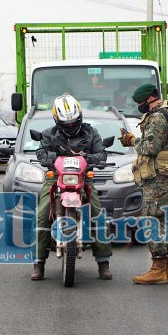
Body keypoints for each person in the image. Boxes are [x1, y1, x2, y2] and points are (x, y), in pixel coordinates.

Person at [32, 95, 113, 281]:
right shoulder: (48, 134)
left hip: (84, 179)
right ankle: (38, 262)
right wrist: (55, 158)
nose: (70, 126)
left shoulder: (91, 133)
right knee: (42, 215)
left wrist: (88, 158)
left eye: (73, 122)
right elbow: (41, 152)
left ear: (80, 118)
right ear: (56, 120)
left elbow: (101, 153)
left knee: (98, 214)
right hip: (56, 178)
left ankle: (103, 262)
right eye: (65, 124)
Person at [119, 83, 168, 284]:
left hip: (158, 179)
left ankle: (158, 269)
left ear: (150, 99)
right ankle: (166, 268)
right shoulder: (167, 112)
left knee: (153, 219)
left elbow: (151, 147)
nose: (140, 106)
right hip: (166, 176)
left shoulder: (157, 117)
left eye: (140, 103)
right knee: (164, 220)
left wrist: (131, 141)